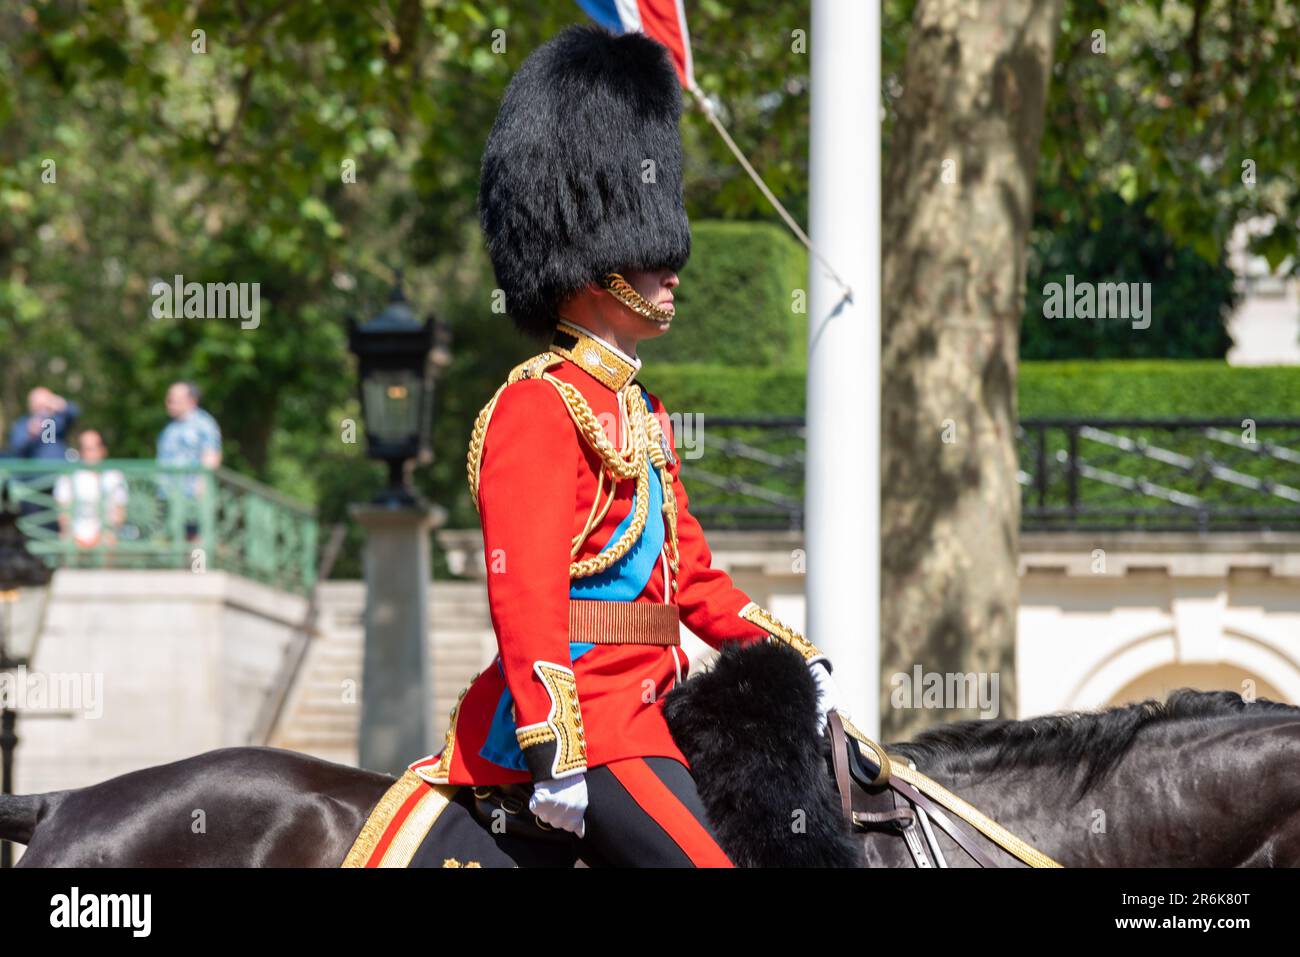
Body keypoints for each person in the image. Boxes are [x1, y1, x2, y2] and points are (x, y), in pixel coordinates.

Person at [417, 26, 846, 868]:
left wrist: (791, 653)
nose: (672, 271)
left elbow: (695, 579)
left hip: (657, 703)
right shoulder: (537, 406)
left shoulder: (638, 406)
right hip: (591, 728)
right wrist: (555, 747)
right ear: (593, 259)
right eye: (652, 254)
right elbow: (527, 597)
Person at [156, 381, 222, 539]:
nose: (169, 403)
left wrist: (202, 489)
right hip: (169, 496)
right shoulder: (170, 428)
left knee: (195, 542)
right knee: (173, 542)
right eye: (169, 399)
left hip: (191, 497)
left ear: (191, 401)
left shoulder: (203, 424)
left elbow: (211, 456)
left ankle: (197, 565)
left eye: (174, 400)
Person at [54, 430, 128, 549]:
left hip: (106, 538)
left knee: (109, 543)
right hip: (75, 538)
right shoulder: (68, 477)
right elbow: (63, 514)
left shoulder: (115, 477)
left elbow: (119, 514)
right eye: (85, 448)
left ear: (103, 450)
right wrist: (75, 537)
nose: (89, 452)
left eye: (93, 447)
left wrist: (102, 536)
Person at [6, 387, 79, 460]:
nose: (42, 408)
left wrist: (62, 405)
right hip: (35, 470)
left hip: (59, 469)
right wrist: (30, 436)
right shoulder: (23, 423)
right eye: (38, 405)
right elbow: (17, 448)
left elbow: (75, 412)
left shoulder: (58, 420)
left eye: (45, 404)